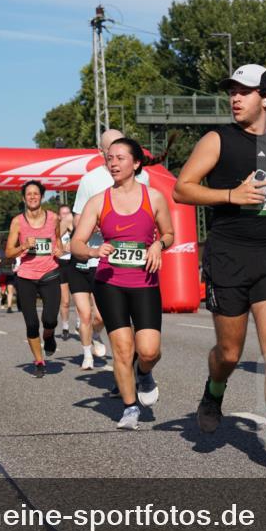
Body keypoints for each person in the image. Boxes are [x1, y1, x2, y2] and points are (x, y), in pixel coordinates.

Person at [173, 64, 266, 479]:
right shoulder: (217, 139)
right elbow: (182, 189)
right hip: (229, 256)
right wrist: (230, 195)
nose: (235, 98)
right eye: (232, 91)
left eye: (245, 91)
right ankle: (214, 391)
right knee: (230, 353)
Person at [72, 138, 173, 429]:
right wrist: (92, 251)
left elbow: (169, 233)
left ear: (136, 163)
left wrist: (158, 246)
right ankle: (130, 408)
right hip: (109, 281)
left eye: (120, 158)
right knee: (123, 349)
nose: (113, 163)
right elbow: (76, 243)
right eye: (110, 158)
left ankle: (144, 373)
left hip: (144, 281)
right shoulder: (98, 201)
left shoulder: (153, 197)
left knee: (149, 350)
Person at [71, 129, 127, 370]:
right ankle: (92, 334)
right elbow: (76, 220)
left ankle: (126, 369)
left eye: (120, 145)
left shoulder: (140, 175)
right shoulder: (90, 180)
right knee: (101, 315)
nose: (115, 153)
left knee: (116, 319)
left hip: (127, 258)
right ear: (101, 152)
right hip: (97, 257)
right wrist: (92, 227)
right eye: (110, 148)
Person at [5, 180, 62, 378]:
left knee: (50, 319)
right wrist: (23, 247)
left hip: (50, 273)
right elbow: (8, 252)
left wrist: (60, 249)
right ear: (23, 198)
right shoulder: (17, 222)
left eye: (36, 193)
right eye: (28, 194)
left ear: (41, 196)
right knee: (31, 323)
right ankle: (39, 361)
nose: (32, 197)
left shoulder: (54, 218)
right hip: (26, 276)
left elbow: (59, 242)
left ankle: (49, 334)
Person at [57, 205, 74, 338]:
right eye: (63, 214)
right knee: (66, 301)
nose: (66, 216)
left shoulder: (76, 229)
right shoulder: (56, 231)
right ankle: (65, 326)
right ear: (59, 216)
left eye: (68, 213)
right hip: (61, 265)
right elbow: (54, 248)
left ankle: (80, 323)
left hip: (74, 263)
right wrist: (62, 249)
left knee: (81, 298)